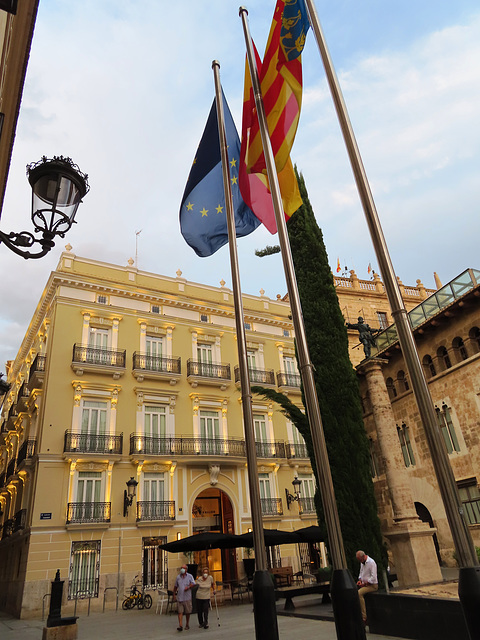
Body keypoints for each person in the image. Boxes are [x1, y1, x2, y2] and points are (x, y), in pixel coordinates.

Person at [356, 550, 378, 626]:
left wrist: (366, 583)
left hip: (372, 585)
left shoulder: (371, 563)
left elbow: (374, 577)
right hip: (365, 584)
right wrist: (360, 580)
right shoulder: (362, 563)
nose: (360, 561)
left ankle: (364, 617)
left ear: (363, 557)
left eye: (360, 560)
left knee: (359, 593)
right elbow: (361, 572)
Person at [173, 564, 196, 631]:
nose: (182, 569)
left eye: (183, 568)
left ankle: (187, 624)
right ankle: (180, 625)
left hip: (187, 597)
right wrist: (174, 594)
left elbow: (193, 584)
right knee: (180, 611)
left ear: (186, 569)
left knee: (187, 612)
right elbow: (175, 586)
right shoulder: (178, 577)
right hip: (180, 597)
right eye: (181, 568)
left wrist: (188, 587)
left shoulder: (189, 576)